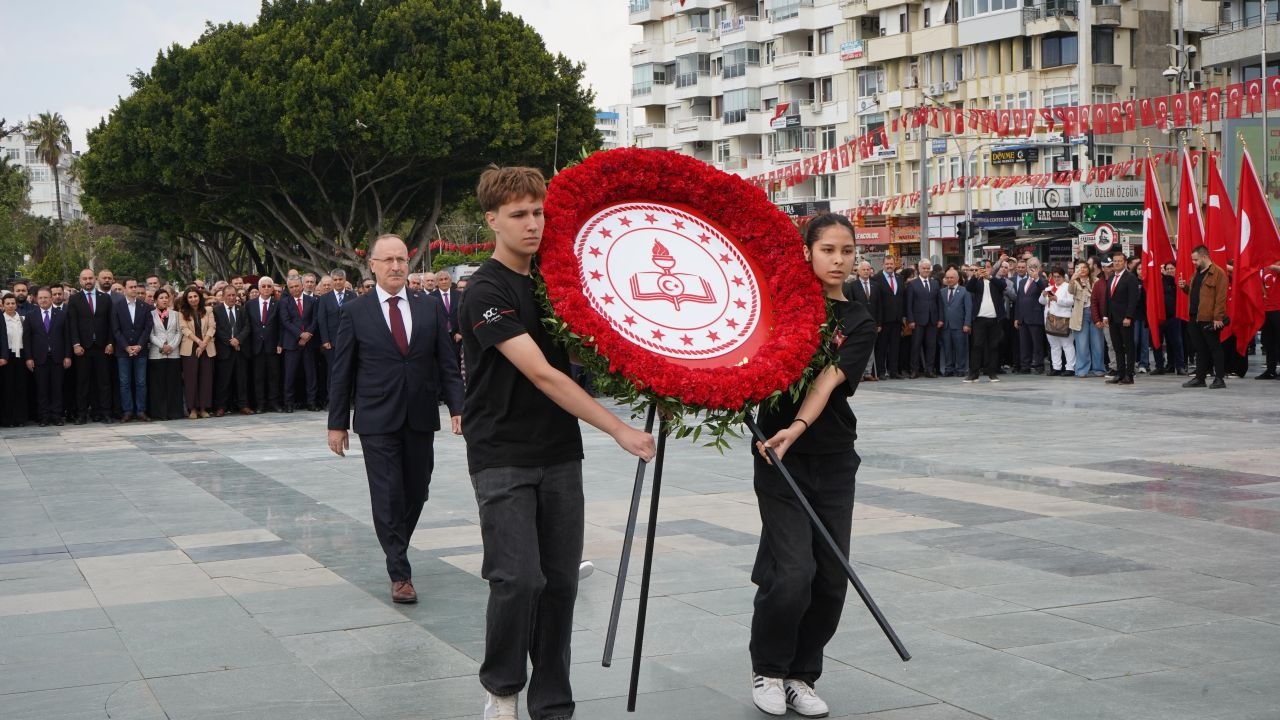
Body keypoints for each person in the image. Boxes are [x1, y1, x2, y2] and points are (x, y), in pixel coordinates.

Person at [458, 166, 654, 720]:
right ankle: (501, 688)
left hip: (559, 454)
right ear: (491, 219)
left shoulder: (556, 280)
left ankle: (553, 702)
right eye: (518, 215)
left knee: (562, 584)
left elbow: (605, 340)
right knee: (518, 579)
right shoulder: (486, 290)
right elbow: (543, 374)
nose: (532, 224)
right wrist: (618, 428)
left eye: (538, 212)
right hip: (501, 454)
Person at [749, 213, 876, 719]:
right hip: (776, 459)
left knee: (829, 578)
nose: (838, 260)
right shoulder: (781, 306)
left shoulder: (859, 320)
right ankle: (769, 669)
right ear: (808, 252)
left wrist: (798, 426)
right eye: (828, 250)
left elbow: (827, 381)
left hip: (832, 459)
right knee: (792, 573)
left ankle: (803, 675)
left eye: (846, 251)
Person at [327, 234, 465, 605]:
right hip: (376, 418)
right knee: (388, 494)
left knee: (417, 489)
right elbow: (342, 371)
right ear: (372, 265)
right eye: (387, 260)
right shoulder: (356, 311)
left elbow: (447, 362)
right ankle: (400, 572)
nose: (395, 266)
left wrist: (458, 407)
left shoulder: (428, 307)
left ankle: (395, 543)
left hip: (419, 414)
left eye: (401, 259)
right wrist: (337, 423)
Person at [66, 268, 116, 424]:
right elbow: (72, 324)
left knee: (103, 382)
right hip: (83, 348)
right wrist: (75, 344)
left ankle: (104, 413)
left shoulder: (105, 299)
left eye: (90, 278)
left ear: (95, 279)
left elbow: (111, 323)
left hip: (102, 347)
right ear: (80, 281)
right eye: (84, 278)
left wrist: (110, 342)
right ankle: (82, 414)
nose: (88, 281)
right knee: (82, 382)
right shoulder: (74, 299)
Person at [1178, 245, 1229, 389]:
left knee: (1215, 347)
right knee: (1200, 348)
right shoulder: (1197, 273)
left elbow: (1221, 297)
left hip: (1209, 318)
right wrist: (1185, 288)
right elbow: (1196, 294)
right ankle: (1200, 378)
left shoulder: (1218, 273)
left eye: (1195, 260)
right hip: (1195, 317)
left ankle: (1219, 378)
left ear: (1205, 257)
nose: (1193, 262)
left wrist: (1218, 317)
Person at [25, 287, 71, 426]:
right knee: (42, 389)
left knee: (57, 388)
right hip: (39, 359)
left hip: (58, 358)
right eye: (41, 298)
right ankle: (44, 417)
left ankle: (57, 416)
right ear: (36, 299)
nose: (43, 300)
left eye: (46, 297)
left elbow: (67, 337)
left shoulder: (62, 314)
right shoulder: (31, 315)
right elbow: (27, 339)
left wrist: (68, 356)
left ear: (51, 298)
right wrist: (28, 358)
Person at [111, 278, 154, 422]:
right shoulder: (117, 306)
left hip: (140, 350)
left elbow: (148, 328)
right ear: (124, 289)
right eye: (131, 287)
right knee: (124, 383)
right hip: (123, 351)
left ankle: (141, 410)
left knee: (141, 382)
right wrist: (126, 347)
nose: (134, 289)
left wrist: (140, 345)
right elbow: (115, 329)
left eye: (135, 287)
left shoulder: (144, 306)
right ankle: (127, 411)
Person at [279, 276, 318, 412]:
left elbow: (315, 319)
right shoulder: (284, 302)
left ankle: (311, 402)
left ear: (302, 286)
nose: (295, 289)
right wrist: (300, 334)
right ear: (288, 289)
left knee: (310, 373)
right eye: (291, 287)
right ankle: (289, 403)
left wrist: (307, 335)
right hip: (291, 343)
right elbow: (285, 321)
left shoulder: (312, 301)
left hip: (309, 342)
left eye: (297, 286)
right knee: (290, 375)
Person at [213, 285, 253, 416]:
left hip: (240, 350)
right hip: (225, 350)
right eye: (228, 295)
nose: (231, 298)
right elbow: (217, 329)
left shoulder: (242, 309)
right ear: (223, 296)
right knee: (223, 381)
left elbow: (247, 327)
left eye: (233, 295)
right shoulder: (216, 310)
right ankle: (221, 407)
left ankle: (243, 405)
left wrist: (238, 340)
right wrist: (230, 341)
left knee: (242, 380)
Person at [964, 260, 1006, 382]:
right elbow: (968, 288)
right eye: (982, 268)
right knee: (977, 346)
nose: (985, 270)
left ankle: (992, 373)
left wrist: (990, 277)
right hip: (979, 318)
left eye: (987, 267)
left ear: (992, 268)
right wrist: (974, 276)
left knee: (993, 346)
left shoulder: (996, 280)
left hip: (995, 318)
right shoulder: (977, 281)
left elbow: (1003, 286)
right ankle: (973, 374)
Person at [178, 285, 217, 418]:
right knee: (191, 379)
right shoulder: (182, 312)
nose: (193, 299)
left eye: (195, 296)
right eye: (190, 297)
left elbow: (212, 327)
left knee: (206, 378)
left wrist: (204, 343)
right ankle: (192, 409)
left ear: (199, 298)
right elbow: (184, 329)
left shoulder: (208, 310)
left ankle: (203, 408)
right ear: (186, 299)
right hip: (190, 348)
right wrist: (199, 342)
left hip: (207, 347)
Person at [148, 288, 185, 421]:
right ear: (156, 300)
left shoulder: (175, 314)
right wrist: (162, 346)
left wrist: (171, 346)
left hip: (173, 354)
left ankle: (174, 412)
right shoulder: (150, 314)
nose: (164, 300)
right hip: (156, 354)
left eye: (166, 297)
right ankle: (159, 413)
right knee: (158, 385)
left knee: (173, 384)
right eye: (161, 298)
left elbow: (179, 332)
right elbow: (151, 334)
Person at [247, 277, 283, 413]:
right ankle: (260, 404)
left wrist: (280, 343)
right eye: (264, 286)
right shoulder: (250, 304)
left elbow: (281, 326)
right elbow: (248, 326)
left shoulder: (277, 304)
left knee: (274, 376)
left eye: (269, 286)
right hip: (256, 347)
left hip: (273, 346)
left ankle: (274, 402)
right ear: (259, 288)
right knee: (258, 377)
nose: (267, 288)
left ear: (272, 288)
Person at [1103, 250, 1139, 384]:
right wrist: (1105, 315)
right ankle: (1120, 373)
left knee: (1129, 347)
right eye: (1115, 261)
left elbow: (1133, 299)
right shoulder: (1111, 277)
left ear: (1124, 263)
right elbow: (1108, 298)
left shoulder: (1130, 278)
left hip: (1125, 318)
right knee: (1117, 347)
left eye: (1120, 261)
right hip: (1113, 318)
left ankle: (1129, 375)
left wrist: (1129, 316)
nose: (1117, 263)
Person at [904, 259, 940, 378]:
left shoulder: (935, 283)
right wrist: (911, 320)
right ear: (919, 269)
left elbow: (939, 302)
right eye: (923, 268)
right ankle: (914, 370)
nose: (926, 270)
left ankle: (929, 370)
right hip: (917, 321)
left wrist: (940, 319)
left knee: (931, 346)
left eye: (927, 268)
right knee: (915, 345)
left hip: (932, 320)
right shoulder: (912, 284)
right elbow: (908, 304)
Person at [1, 294, 32, 427]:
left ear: (16, 304)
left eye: (13, 303)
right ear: (3, 304)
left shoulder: (22, 319)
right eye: (7, 303)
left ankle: (21, 419)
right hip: (6, 356)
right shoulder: (1, 319)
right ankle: (8, 419)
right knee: (7, 389)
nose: (10, 306)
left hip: (21, 356)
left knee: (21, 387)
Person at [871, 256, 904, 379]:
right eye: (887, 264)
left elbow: (902, 298)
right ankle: (880, 371)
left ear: (895, 264)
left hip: (897, 319)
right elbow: (876, 301)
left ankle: (894, 371)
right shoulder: (876, 279)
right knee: (882, 347)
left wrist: (903, 316)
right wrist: (878, 321)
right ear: (883, 265)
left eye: (891, 263)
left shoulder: (900, 278)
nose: (889, 266)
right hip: (883, 319)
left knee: (895, 347)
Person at [1013, 258, 1047, 374]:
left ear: (1038, 268)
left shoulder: (1041, 280)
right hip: (1023, 317)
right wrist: (1017, 317)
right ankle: (1025, 365)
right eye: (1030, 266)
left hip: (1035, 317)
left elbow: (1044, 290)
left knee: (1037, 344)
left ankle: (1039, 365)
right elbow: (1019, 300)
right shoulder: (1022, 282)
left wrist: (1037, 278)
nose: (1032, 269)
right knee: (1024, 344)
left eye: (1034, 266)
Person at [1039, 267, 1076, 376]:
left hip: (1064, 318)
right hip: (1050, 319)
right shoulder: (1049, 287)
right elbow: (1041, 302)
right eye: (1054, 277)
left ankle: (1070, 367)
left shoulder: (1068, 287)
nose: (1056, 279)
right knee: (1054, 345)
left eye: (1058, 277)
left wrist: (1057, 299)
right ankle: (1056, 367)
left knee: (1067, 344)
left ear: (1063, 277)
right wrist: (1043, 295)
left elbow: (1071, 301)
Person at [1070, 262, 1104, 377]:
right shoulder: (1074, 281)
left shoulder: (1096, 280)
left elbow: (1099, 296)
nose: (1082, 269)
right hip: (1080, 314)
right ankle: (1082, 370)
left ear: (1089, 269)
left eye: (1084, 267)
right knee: (1081, 344)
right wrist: (1072, 279)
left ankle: (1099, 368)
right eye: (1079, 268)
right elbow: (1070, 291)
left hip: (1095, 313)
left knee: (1097, 344)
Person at [1154, 262, 1186, 375]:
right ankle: (1160, 366)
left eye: (1172, 268)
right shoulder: (1159, 281)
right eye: (1167, 268)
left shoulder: (1178, 281)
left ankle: (1180, 366)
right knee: (1157, 342)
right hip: (1159, 317)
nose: (1169, 270)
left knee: (1176, 342)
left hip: (1173, 317)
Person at [937, 267, 971, 378]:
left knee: (960, 348)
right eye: (947, 278)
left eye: (952, 277)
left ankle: (961, 368)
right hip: (945, 326)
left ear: (957, 278)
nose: (949, 280)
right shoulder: (942, 292)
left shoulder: (964, 291)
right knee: (947, 348)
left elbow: (968, 309)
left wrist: (967, 324)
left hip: (959, 325)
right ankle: (948, 368)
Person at [1258, 263, 1280, 379]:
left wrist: (1272, 266)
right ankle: (1270, 370)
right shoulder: (1264, 268)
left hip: (1278, 308)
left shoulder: (1273, 266)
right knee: (1268, 341)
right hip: (1267, 309)